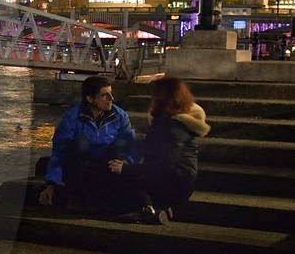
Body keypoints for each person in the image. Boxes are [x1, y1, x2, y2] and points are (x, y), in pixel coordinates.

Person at [109, 76, 210, 224]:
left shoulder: (173, 127)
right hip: (175, 179)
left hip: (175, 183)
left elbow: (164, 166)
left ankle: (147, 209)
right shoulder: (168, 123)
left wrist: (126, 169)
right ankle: (157, 208)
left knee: (119, 179)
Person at [37, 75, 140, 215]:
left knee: (122, 143)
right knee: (81, 142)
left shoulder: (119, 116)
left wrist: (128, 161)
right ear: (90, 98)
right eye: (105, 95)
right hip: (79, 168)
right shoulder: (72, 117)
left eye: (111, 93)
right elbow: (60, 151)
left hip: (105, 166)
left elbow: (131, 145)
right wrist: (51, 184)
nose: (111, 98)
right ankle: (76, 196)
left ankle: (98, 198)